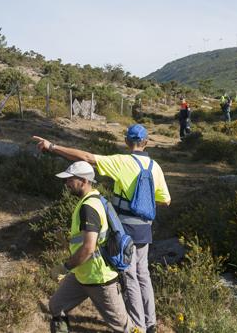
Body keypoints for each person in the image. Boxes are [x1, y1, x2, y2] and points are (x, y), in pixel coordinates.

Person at [33, 124, 171, 333]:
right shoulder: (155, 167)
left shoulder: (122, 162)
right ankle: (150, 322)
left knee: (130, 276)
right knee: (144, 275)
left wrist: (53, 146)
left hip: (124, 232)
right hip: (145, 230)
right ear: (146, 142)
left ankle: (138, 327)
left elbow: (87, 157)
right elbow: (165, 200)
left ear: (126, 141)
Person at [47, 161, 142, 333]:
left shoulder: (89, 207)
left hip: (100, 279)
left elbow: (89, 248)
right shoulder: (94, 199)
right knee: (56, 305)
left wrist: (64, 267)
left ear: (83, 181)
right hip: (82, 274)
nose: (66, 184)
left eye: (70, 180)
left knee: (124, 328)